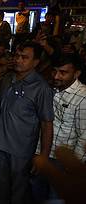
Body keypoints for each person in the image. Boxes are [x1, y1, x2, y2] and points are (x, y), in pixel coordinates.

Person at [0, 41, 54, 204]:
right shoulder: (8, 78)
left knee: (19, 193)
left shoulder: (41, 88)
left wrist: (43, 156)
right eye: (17, 56)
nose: (18, 60)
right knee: (1, 190)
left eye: (24, 57)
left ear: (35, 62)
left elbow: (46, 123)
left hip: (21, 151)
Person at [31, 54, 86, 202]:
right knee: (37, 195)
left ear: (76, 73)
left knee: (56, 198)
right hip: (44, 153)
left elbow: (84, 135)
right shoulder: (51, 88)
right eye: (54, 71)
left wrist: (72, 168)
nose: (56, 76)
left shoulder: (83, 97)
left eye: (63, 72)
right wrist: (39, 153)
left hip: (63, 161)